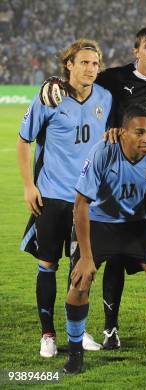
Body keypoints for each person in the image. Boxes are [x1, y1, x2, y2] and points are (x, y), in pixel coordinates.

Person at [62, 104, 146, 373]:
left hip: (135, 224)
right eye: (139, 132)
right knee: (81, 280)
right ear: (122, 133)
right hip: (98, 223)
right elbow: (80, 204)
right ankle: (76, 354)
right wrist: (86, 258)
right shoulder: (103, 151)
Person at [18, 39, 111, 358]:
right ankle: (47, 334)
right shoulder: (50, 97)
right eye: (83, 62)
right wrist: (29, 186)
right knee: (47, 266)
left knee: (81, 269)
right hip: (52, 197)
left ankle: (79, 331)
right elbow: (23, 140)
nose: (90, 69)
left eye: (95, 63)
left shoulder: (105, 97)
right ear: (69, 64)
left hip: (86, 201)